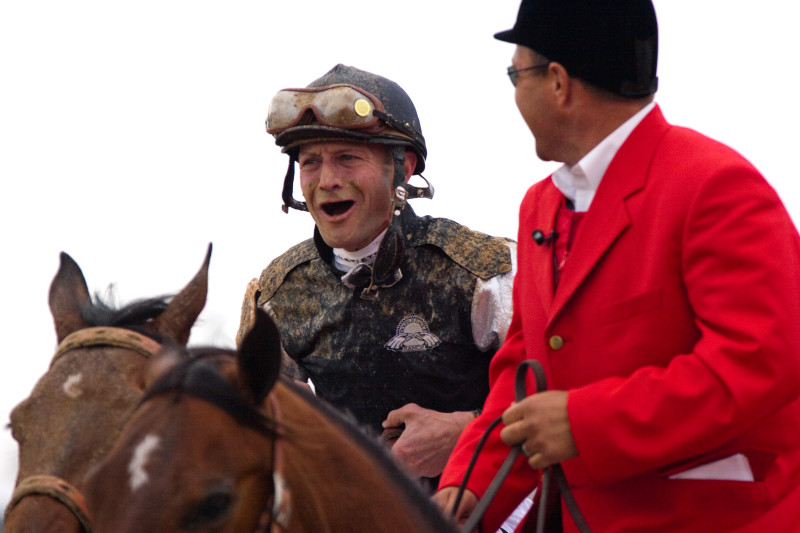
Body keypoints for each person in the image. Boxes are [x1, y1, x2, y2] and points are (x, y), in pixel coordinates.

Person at [434, 1, 800, 532]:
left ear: (557, 82)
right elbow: (523, 371)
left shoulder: (715, 185)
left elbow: (763, 359)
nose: (513, 92)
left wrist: (586, 426)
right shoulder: (540, 205)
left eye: (515, 74)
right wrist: (467, 484)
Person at [237, 64, 516, 488]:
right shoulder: (277, 297)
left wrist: (468, 431)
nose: (327, 181)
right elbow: (259, 439)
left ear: (403, 168)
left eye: (348, 158)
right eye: (311, 162)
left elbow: (563, 396)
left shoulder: (483, 272)